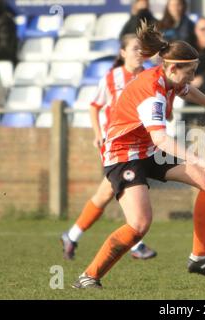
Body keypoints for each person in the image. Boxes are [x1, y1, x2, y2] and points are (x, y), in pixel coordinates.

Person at [72, 21, 205, 289]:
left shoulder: (169, 78)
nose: (192, 77)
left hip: (147, 149)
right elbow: (160, 137)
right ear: (172, 68)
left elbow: (187, 90)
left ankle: (199, 257)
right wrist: (197, 158)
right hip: (124, 155)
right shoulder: (152, 93)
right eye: (190, 71)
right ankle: (89, 276)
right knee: (139, 224)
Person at [61, 34, 158, 261]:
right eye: (134, 48)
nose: (139, 53)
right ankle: (137, 244)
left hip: (140, 144)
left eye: (142, 49)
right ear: (122, 53)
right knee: (125, 186)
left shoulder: (150, 76)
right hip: (117, 144)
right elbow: (94, 106)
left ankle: (72, 235)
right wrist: (97, 133)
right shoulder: (112, 77)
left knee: (106, 192)